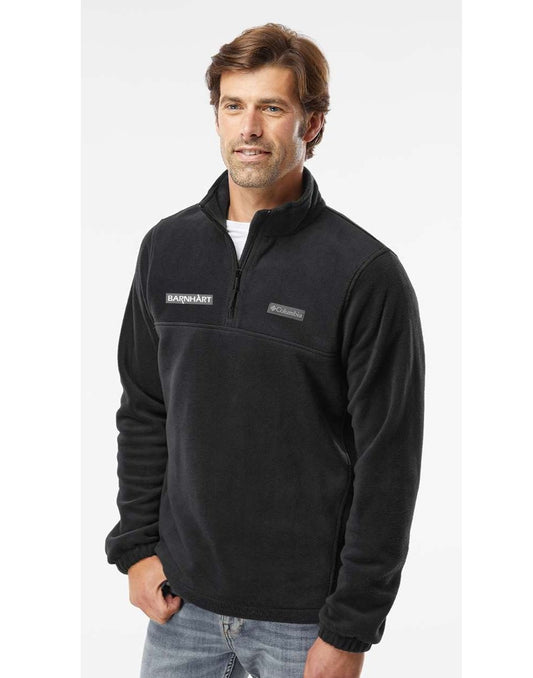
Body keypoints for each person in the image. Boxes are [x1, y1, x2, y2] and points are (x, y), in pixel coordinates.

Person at [105, 22, 425, 678]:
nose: (249, 127)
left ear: (313, 123)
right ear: (217, 115)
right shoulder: (166, 249)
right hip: (181, 606)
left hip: (303, 621)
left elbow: (387, 463)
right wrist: (136, 549)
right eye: (234, 105)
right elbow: (144, 409)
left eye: (272, 108)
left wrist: (350, 628)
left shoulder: (364, 273)